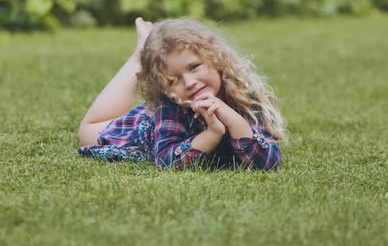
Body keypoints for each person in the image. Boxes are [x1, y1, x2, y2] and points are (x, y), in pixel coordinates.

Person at [78, 17, 285, 171]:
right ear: (165, 89)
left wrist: (232, 118)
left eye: (194, 67)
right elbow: (167, 161)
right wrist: (211, 134)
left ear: (214, 56)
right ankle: (140, 55)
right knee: (87, 133)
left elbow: (269, 162)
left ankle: (147, 53)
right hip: (142, 129)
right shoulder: (170, 104)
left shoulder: (243, 94)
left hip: (217, 108)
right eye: (172, 80)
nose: (189, 83)